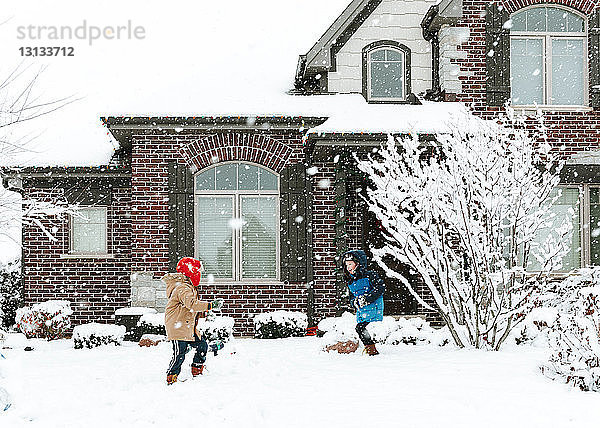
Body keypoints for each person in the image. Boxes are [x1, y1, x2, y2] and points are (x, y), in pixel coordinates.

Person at [163, 257, 223, 385]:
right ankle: (171, 376)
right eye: (198, 272)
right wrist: (210, 305)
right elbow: (192, 304)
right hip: (177, 327)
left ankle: (197, 369)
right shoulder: (182, 288)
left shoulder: (187, 286)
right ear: (191, 273)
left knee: (202, 345)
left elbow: (189, 309)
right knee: (179, 353)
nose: (199, 275)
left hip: (187, 326)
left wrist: (203, 313)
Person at [343, 250, 385, 356]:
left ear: (358, 264)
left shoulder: (369, 275)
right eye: (346, 265)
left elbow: (380, 288)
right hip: (362, 310)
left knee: (360, 328)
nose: (348, 267)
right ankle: (371, 350)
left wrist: (367, 299)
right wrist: (355, 303)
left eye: (350, 264)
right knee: (360, 328)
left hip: (373, 307)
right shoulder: (351, 281)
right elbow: (352, 297)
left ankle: (372, 351)